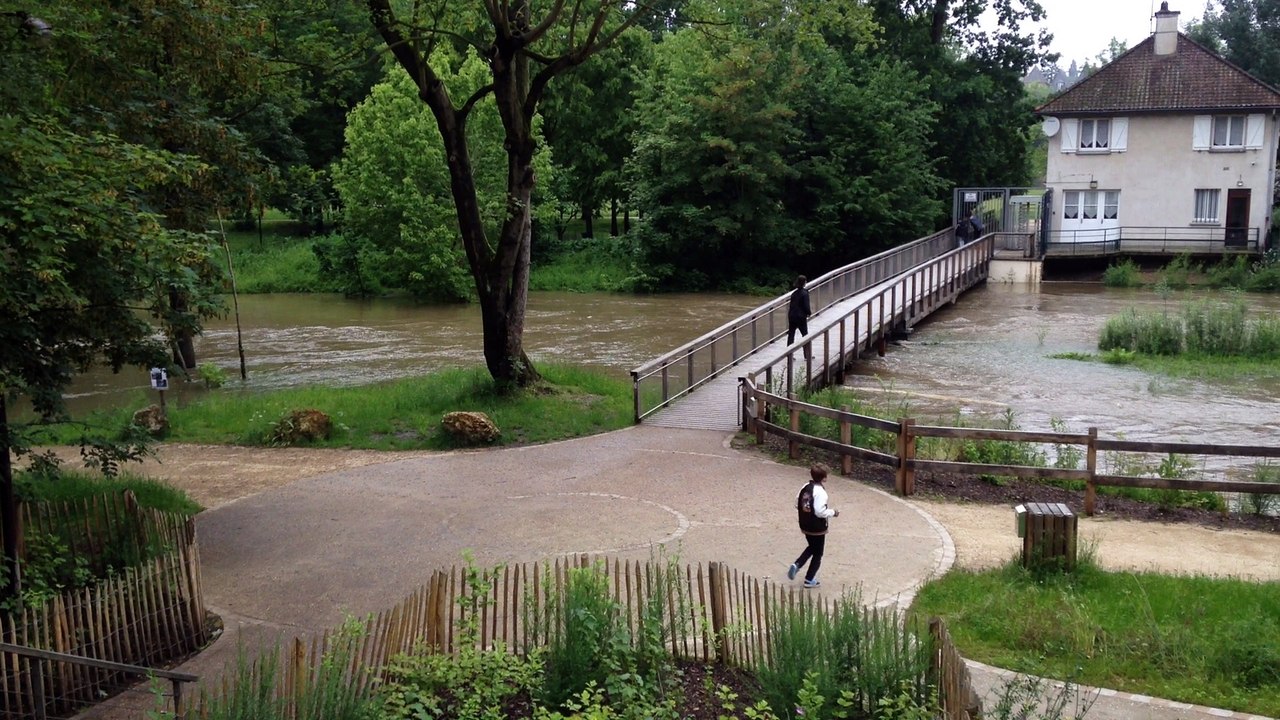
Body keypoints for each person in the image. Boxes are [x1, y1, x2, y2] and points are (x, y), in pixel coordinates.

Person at [787, 464, 839, 588]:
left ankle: (798, 564)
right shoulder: (821, 492)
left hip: (805, 524)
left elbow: (797, 502)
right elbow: (820, 512)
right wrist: (833, 512)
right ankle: (809, 579)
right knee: (818, 553)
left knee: (812, 547)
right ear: (824, 478)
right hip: (817, 527)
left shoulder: (805, 487)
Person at [786, 275, 810, 346]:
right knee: (805, 335)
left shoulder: (794, 293)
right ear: (804, 282)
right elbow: (806, 306)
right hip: (801, 317)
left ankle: (789, 355)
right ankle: (807, 355)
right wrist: (809, 313)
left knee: (791, 335)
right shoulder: (805, 293)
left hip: (792, 316)